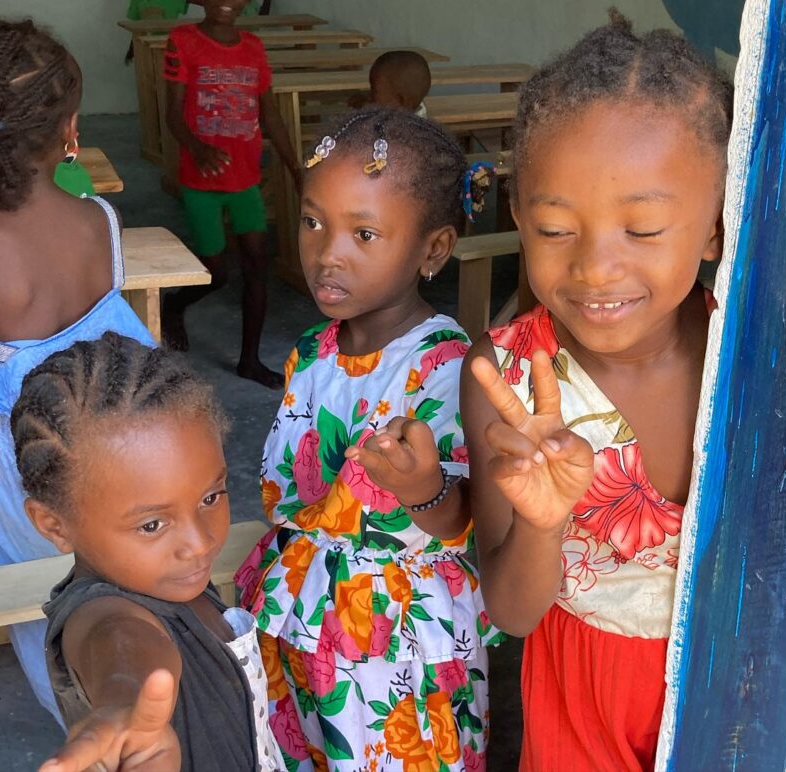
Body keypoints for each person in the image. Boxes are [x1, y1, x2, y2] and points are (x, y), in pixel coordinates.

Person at [461, 12, 732, 771]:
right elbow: (513, 613)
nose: (595, 268)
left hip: (741, 681)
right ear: (517, 217)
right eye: (554, 230)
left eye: (642, 231)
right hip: (585, 695)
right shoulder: (508, 381)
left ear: (714, 226)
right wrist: (543, 523)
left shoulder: (752, 354)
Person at [234, 106, 502, 771]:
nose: (328, 253)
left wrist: (423, 488)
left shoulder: (444, 365)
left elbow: (463, 517)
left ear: (432, 249)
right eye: (313, 220)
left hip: (395, 645)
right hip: (304, 613)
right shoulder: (310, 352)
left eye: (364, 233)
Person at [0, 18, 156, 724]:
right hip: (117, 458)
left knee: (48, 612)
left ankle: (92, 733)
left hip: (26, 476)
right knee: (118, 604)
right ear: (69, 128)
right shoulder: (99, 220)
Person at [3, 334, 284, 772]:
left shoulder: (164, 575)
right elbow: (124, 649)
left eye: (211, 497)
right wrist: (124, 702)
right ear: (54, 525)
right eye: (152, 524)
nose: (201, 542)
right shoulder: (100, 614)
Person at [161, 0, 303, 389]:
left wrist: (295, 168)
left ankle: (249, 360)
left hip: (244, 180)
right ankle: (173, 305)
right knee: (215, 273)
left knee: (258, 266)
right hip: (201, 181)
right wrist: (198, 147)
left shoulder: (253, 47)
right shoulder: (183, 40)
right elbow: (172, 113)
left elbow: (269, 113)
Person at [349, 50, 432, 116]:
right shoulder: (408, 107)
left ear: (401, 101)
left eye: (374, 92)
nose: (370, 97)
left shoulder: (403, 131)